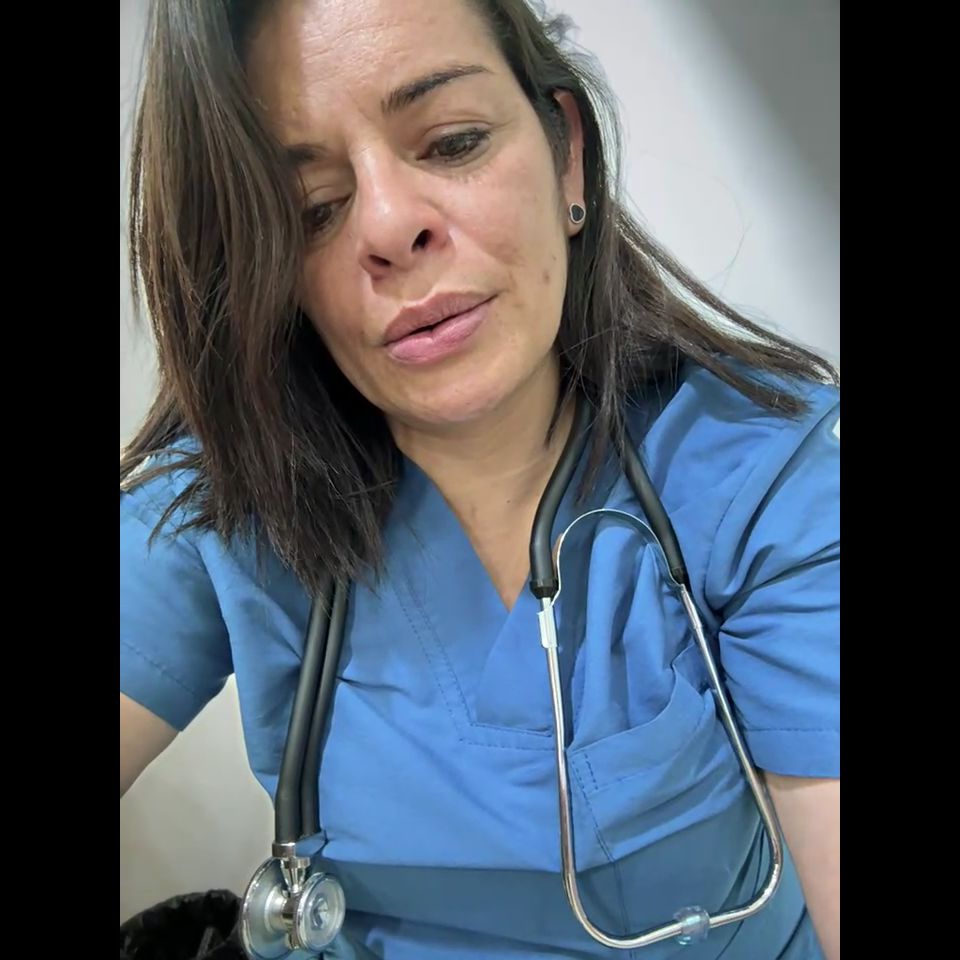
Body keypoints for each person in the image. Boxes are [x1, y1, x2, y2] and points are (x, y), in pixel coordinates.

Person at [119, 1, 840, 958]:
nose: (390, 227)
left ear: (565, 155)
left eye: (453, 142)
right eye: (313, 209)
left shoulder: (764, 475)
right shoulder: (225, 507)